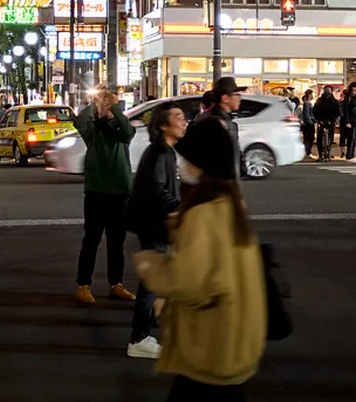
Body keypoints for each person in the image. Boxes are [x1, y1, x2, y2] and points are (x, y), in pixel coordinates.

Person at [133, 118, 267, 401]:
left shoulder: (202, 214)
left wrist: (150, 265)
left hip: (208, 342)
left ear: (203, 163)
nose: (183, 166)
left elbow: (189, 282)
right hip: (235, 334)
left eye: (189, 160)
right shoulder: (231, 204)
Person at [126, 103, 186, 361]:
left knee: (158, 277)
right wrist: (179, 208)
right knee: (152, 281)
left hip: (154, 222)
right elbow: (157, 190)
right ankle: (139, 338)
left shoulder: (164, 151)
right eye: (178, 117)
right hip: (153, 223)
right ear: (163, 125)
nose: (184, 122)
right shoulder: (160, 153)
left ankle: (150, 323)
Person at [73, 90, 137, 305]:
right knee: (91, 240)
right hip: (96, 192)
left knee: (116, 242)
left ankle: (116, 283)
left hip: (119, 192)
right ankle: (83, 285)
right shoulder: (92, 130)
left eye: (110, 106)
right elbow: (79, 122)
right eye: (104, 105)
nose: (107, 108)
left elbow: (127, 131)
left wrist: (114, 106)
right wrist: (95, 102)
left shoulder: (122, 131)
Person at [199, 77, 244, 178]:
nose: (240, 98)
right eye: (237, 95)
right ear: (225, 98)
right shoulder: (212, 123)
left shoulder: (227, 120)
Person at [313, 86, 340, 163]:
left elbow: (338, 112)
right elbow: (315, 110)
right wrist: (319, 119)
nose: (327, 92)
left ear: (331, 91)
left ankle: (328, 154)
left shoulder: (334, 101)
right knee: (319, 139)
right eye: (326, 90)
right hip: (321, 121)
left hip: (331, 122)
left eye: (329, 90)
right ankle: (320, 155)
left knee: (330, 138)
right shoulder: (319, 100)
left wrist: (334, 120)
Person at [339, 83, 356, 162]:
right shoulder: (348, 97)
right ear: (353, 88)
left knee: (354, 138)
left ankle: (352, 154)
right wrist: (347, 121)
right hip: (351, 121)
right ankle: (349, 155)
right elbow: (345, 110)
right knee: (351, 138)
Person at [299, 90, 315, 159]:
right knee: (309, 138)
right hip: (308, 124)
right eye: (312, 94)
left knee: (308, 138)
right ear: (309, 95)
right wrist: (310, 122)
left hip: (308, 123)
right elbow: (306, 113)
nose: (313, 96)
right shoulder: (307, 103)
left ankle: (306, 152)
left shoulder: (308, 103)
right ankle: (308, 152)